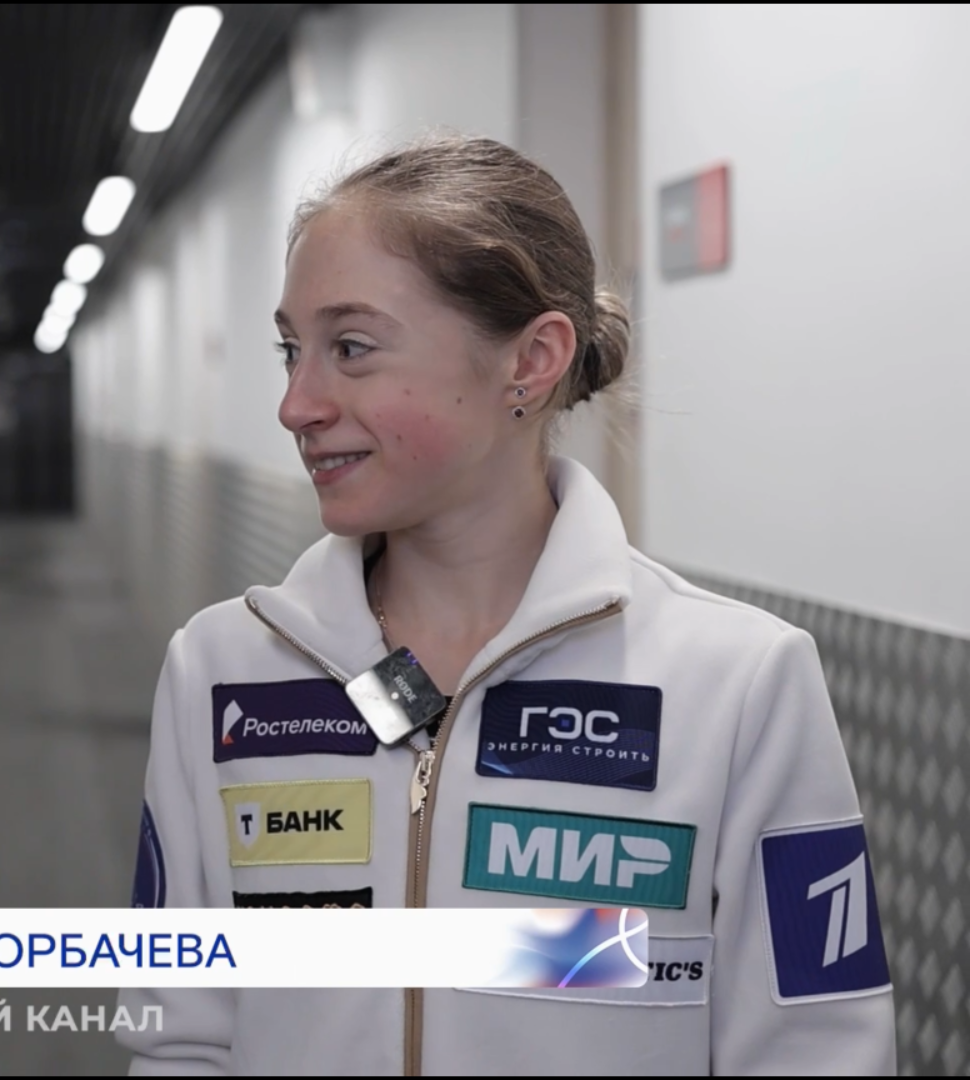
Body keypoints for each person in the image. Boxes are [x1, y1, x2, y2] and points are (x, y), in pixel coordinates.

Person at [118, 136, 895, 1075]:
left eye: (350, 348)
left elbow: (814, 1049)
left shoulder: (736, 685)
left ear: (531, 360)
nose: (297, 403)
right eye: (292, 350)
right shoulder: (221, 669)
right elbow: (180, 1035)